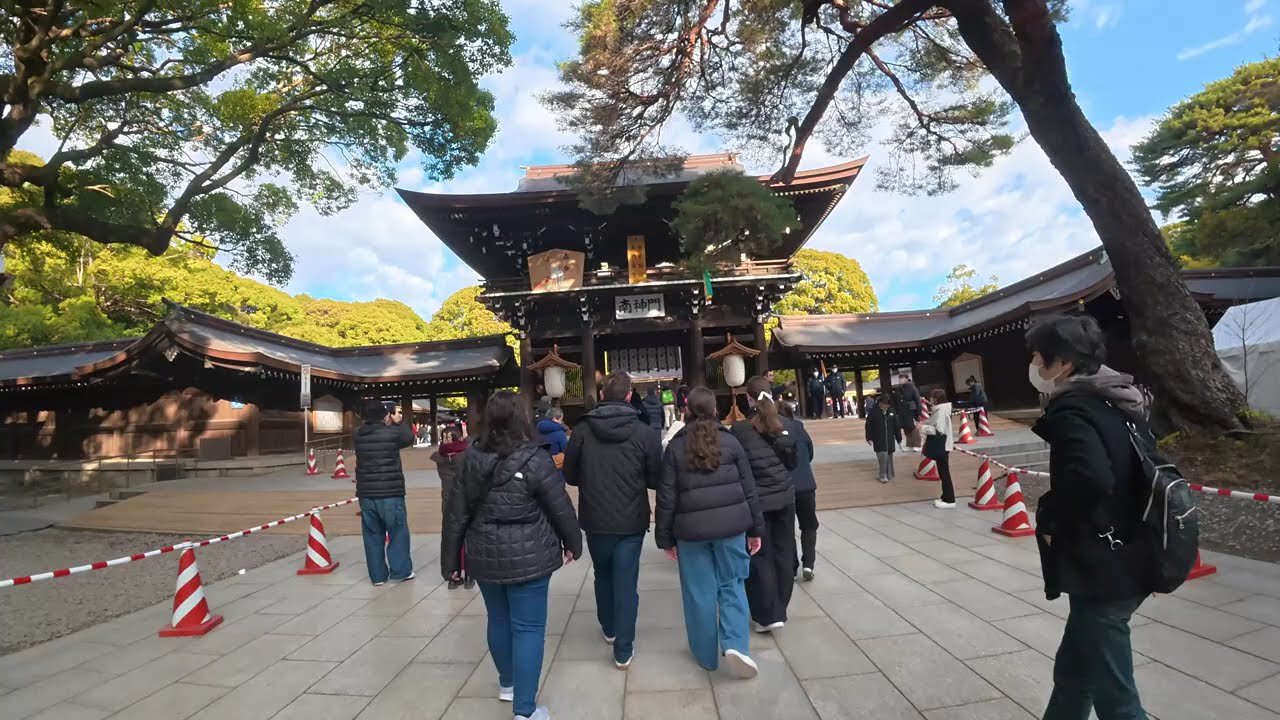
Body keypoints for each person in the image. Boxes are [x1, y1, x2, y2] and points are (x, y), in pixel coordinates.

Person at [1026, 315, 1153, 720]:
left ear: (1063, 363)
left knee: (1116, 699)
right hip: (1131, 549)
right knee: (1075, 674)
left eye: (1039, 358)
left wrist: (1052, 522)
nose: (1035, 366)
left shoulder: (1073, 409)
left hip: (1105, 564)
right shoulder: (1117, 400)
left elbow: (1090, 477)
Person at [441, 390, 582, 720]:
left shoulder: (470, 459)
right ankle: (525, 710)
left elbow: (455, 513)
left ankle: (508, 683)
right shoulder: (535, 459)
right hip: (530, 555)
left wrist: (451, 561)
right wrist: (573, 542)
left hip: (484, 553)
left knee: (499, 619)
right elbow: (560, 507)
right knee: (528, 628)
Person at [656, 387, 763, 678]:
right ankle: (736, 644)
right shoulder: (731, 442)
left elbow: (666, 497)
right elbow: (749, 488)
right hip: (732, 527)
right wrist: (756, 528)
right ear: (716, 409)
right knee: (733, 583)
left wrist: (664, 537)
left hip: (690, 531)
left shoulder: (676, 447)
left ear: (686, 410)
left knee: (698, 591)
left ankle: (705, 654)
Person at [562, 371, 663, 670]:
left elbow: (569, 474)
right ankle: (623, 649)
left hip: (595, 516)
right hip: (631, 518)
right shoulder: (644, 432)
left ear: (602, 395)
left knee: (602, 574)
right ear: (630, 396)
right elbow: (656, 478)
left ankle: (609, 627)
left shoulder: (582, 430)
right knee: (626, 581)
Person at [731, 376, 798, 632]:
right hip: (784, 496)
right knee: (784, 551)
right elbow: (793, 462)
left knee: (759, 554)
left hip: (756, 499)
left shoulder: (740, 430)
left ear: (748, 398)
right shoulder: (787, 425)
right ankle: (780, 606)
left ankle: (767, 613)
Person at [354, 400, 416, 586]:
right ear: (384, 415)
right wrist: (399, 422)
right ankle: (401, 571)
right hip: (391, 492)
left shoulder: (357, 435)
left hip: (366, 493)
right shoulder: (391, 433)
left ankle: (378, 576)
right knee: (397, 532)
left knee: (372, 534)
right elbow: (408, 439)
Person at [777, 399, 818, 580]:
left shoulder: (774, 432)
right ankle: (808, 564)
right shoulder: (800, 429)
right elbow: (810, 453)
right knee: (809, 525)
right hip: (806, 484)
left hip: (785, 485)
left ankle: (792, 566)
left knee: (787, 528)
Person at [432, 429, 473, 590]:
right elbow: (474, 447)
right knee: (468, 536)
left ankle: (452, 575)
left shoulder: (440, 457)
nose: (446, 440)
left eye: (447, 437)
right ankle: (469, 574)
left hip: (448, 502)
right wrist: (466, 437)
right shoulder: (466, 455)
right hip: (466, 500)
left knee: (450, 539)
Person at [920, 389, 956, 508]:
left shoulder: (940, 411)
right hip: (944, 445)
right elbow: (933, 423)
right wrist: (924, 423)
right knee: (943, 472)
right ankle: (945, 497)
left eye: (932, 397)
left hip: (942, 445)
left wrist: (922, 428)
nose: (930, 399)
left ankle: (949, 500)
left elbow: (937, 430)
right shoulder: (941, 410)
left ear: (936, 398)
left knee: (944, 473)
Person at [865, 394, 902, 484]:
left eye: (888, 404)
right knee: (882, 457)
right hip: (879, 439)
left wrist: (899, 439)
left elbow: (896, 426)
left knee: (889, 457)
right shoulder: (873, 412)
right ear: (880, 403)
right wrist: (869, 438)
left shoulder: (891, 411)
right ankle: (883, 475)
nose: (886, 406)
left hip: (889, 440)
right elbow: (868, 426)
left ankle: (890, 475)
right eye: (884, 404)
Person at [898, 375, 923, 450]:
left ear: (906, 379)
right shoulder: (900, 388)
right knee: (906, 427)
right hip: (903, 410)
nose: (900, 380)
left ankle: (917, 444)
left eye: (902, 378)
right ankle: (909, 444)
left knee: (913, 427)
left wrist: (919, 412)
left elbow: (917, 400)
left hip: (911, 410)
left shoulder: (912, 388)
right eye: (900, 379)